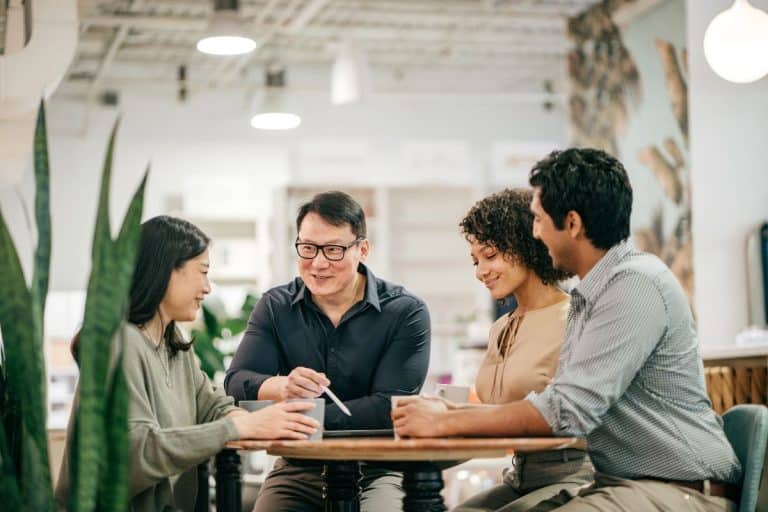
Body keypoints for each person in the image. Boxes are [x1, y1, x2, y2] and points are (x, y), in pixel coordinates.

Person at [393, 148, 742, 512]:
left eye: (538, 219)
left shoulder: (634, 285)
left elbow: (567, 411)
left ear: (572, 224)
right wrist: (449, 413)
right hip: (621, 486)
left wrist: (449, 420)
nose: (533, 233)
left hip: (681, 490)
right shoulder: (589, 296)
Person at [56, 216, 320, 512]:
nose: (207, 288)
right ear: (167, 271)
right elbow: (135, 451)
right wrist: (238, 426)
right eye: (203, 272)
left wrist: (249, 421)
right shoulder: (120, 343)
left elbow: (211, 406)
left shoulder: (174, 343)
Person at [225, 190, 431, 512]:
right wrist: (282, 386)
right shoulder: (276, 306)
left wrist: (294, 417)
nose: (319, 263)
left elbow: (389, 407)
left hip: (378, 469)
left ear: (362, 249)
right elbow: (236, 382)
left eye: (334, 250)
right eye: (308, 248)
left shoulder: (405, 312)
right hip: (298, 467)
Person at [448, 188, 593, 512]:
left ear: (526, 244)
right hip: (520, 476)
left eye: (490, 256)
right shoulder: (500, 328)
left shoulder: (576, 318)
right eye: (476, 261)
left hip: (574, 476)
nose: (480, 271)